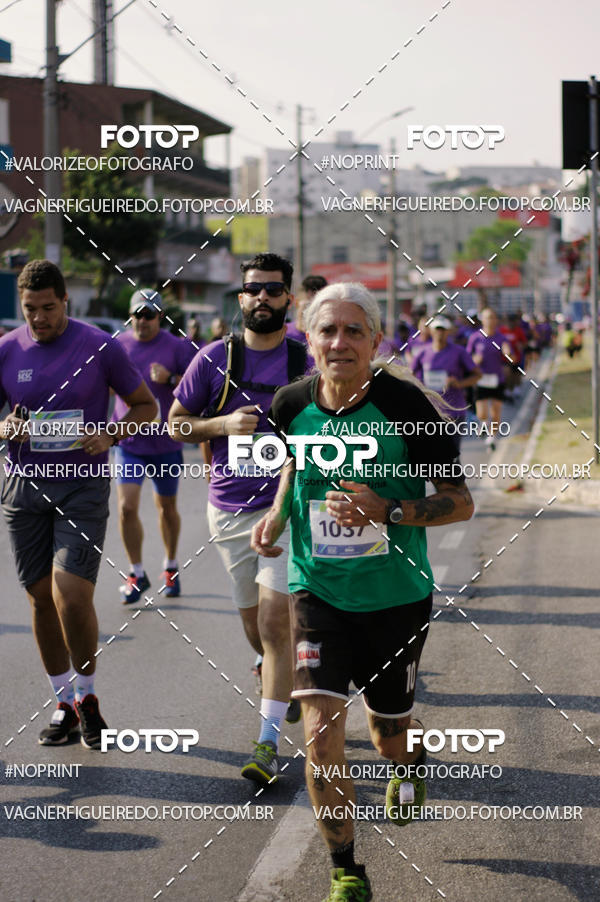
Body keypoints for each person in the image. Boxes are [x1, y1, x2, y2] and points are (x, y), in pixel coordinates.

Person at [251, 281, 474, 901]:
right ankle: (346, 868)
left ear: (375, 340)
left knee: (387, 735)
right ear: (308, 339)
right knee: (320, 729)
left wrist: (390, 510)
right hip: (317, 590)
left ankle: (408, 764)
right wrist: (277, 517)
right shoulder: (290, 403)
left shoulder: (408, 408)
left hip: (395, 598)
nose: (340, 342)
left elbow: (459, 503)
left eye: (354, 331)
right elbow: (297, 461)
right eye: (328, 330)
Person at [0, 260, 157, 749]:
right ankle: (63, 702)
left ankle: (88, 696)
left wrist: (110, 433)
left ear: (66, 300)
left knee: (71, 595)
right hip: (23, 489)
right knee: (40, 599)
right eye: (30, 310)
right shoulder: (6, 350)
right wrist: (4, 428)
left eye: (48, 307)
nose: (39, 318)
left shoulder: (98, 346)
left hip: (81, 487)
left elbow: (145, 405)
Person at [168, 252, 309, 785]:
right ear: (241, 297)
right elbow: (176, 426)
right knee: (256, 629)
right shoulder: (213, 360)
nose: (263, 299)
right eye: (254, 290)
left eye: (274, 290)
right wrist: (223, 424)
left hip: (288, 508)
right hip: (227, 512)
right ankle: (283, 674)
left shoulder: (305, 362)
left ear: (288, 299)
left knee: (276, 622)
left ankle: (267, 744)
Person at [114, 289, 197, 603]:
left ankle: (171, 566)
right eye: (137, 314)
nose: (142, 321)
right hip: (129, 442)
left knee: (166, 508)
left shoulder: (177, 347)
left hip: (165, 442)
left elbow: (197, 387)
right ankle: (136, 572)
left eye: (149, 315)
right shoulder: (118, 345)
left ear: (160, 317)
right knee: (126, 507)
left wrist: (172, 378)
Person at [411, 315, 481, 447]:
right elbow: (410, 375)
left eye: (443, 329)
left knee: (452, 454)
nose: (440, 333)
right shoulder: (422, 353)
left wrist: (459, 383)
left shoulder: (459, 352)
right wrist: (419, 386)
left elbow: (477, 375)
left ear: (448, 331)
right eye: (437, 329)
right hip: (430, 411)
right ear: (431, 331)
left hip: (454, 410)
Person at [466, 308, 512, 451]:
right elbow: (467, 357)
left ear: (496, 320)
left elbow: (507, 349)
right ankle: (483, 424)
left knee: (496, 411)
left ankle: (492, 437)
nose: (490, 320)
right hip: (481, 379)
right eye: (487, 317)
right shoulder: (475, 337)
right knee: (482, 413)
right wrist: (475, 360)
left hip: (497, 379)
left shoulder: (501, 337)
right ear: (482, 320)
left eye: (492, 317)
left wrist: (507, 352)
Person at [286, 273, 327, 344]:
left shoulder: (331, 339)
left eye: (319, 307)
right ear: (296, 303)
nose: (312, 313)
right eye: (308, 306)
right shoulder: (281, 335)